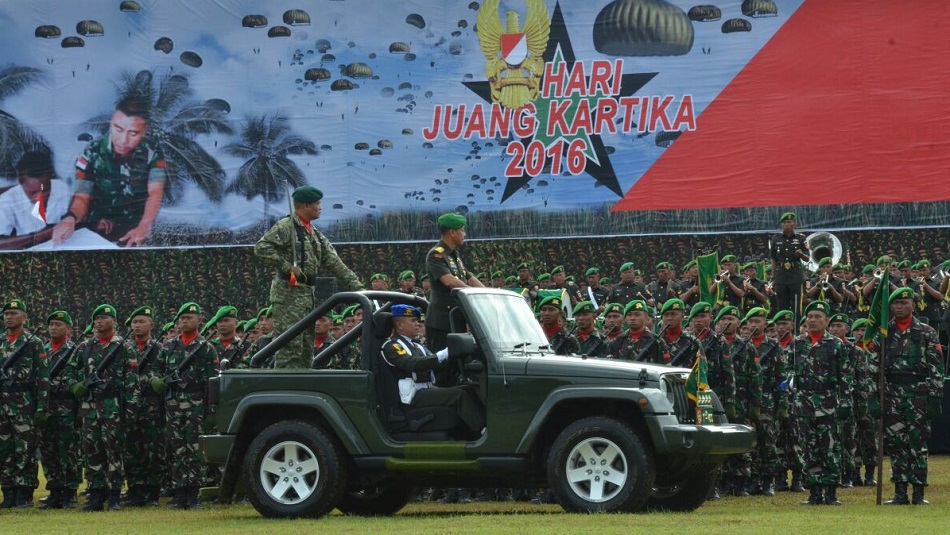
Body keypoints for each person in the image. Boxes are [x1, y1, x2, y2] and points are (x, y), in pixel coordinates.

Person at [254, 185, 363, 368]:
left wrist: (359, 288)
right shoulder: (286, 226)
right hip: (289, 294)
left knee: (305, 347)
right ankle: (286, 393)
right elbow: (261, 248)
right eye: (317, 203)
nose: (320, 207)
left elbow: (334, 262)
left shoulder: (315, 233)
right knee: (290, 346)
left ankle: (302, 386)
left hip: (307, 295)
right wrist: (287, 266)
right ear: (304, 205)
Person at [52, 98, 167, 246]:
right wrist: (70, 218)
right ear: (111, 124)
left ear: (144, 132)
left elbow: (155, 192)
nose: (123, 140)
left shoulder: (152, 152)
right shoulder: (91, 153)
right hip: (97, 230)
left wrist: (144, 226)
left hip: (135, 231)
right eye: (118, 129)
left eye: (133, 133)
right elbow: (82, 197)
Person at [871, 287, 944, 505]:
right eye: (896, 303)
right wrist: (872, 397)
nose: (900, 306)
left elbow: (936, 366)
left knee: (918, 444)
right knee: (896, 444)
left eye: (904, 303)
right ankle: (900, 491)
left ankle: (919, 492)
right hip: (892, 393)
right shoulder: (884, 332)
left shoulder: (927, 331)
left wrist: (935, 396)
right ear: (890, 307)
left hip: (919, 394)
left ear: (913, 305)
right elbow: (873, 367)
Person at [66, 304, 137, 511]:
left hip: (113, 404)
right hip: (89, 404)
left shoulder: (124, 346)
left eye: (104, 318)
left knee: (113, 449)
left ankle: (114, 494)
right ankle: (95, 494)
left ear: (114, 321)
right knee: (91, 450)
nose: (99, 321)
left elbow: (132, 381)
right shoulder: (86, 346)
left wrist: (130, 409)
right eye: (96, 318)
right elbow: (69, 370)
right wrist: (75, 386)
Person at [148, 302, 217, 509]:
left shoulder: (206, 348)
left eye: (189, 318)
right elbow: (154, 372)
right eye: (182, 318)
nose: (184, 321)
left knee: (195, 449)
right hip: (173, 404)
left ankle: (194, 493)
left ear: (199, 321)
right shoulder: (169, 347)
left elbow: (212, 382)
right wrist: (157, 382)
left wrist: (211, 410)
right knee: (177, 448)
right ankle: (179, 494)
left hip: (196, 404)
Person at [380, 304, 483, 437]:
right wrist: (446, 353)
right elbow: (412, 364)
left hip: (427, 390)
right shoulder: (392, 346)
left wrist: (457, 353)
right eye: (413, 321)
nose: (417, 324)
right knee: (458, 395)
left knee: (468, 389)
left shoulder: (416, 345)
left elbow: (435, 362)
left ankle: (469, 432)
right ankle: (482, 433)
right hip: (412, 396)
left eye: (417, 321)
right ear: (399, 325)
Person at [787, 301, 852, 506]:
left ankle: (831, 492)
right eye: (810, 317)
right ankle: (814, 491)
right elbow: (789, 370)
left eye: (817, 316)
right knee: (808, 448)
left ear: (826, 321)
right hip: (803, 402)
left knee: (829, 447)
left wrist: (845, 402)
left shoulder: (836, 344)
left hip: (828, 401)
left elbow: (845, 376)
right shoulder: (797, 343)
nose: (813, 320)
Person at [0, 299, 49, 508]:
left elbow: (42, 377)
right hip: (2, 403)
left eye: (14, 313)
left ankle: (24, 494)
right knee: (4, 450)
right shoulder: (0, 340)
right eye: (6, 314)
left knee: (25, 451)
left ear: (24, 317)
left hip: (24, 404)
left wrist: (41, 407)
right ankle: (8, 492)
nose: (9, 317)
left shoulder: (33, 342)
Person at [121, 305, 166, 507]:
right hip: (129, 405)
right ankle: (135, 490)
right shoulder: (123, 348)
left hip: (151, 405)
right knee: (131, 449)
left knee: (153, 449)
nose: (137, 326)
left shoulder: (160, 349)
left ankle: (152, 492)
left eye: (141, 322)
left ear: (151, 325)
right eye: (134, 322)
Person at [38, 310, 82, 509]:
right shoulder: (42, 350)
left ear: (69, 329)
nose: (54, 328)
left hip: (67, 406)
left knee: (69, 450)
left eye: (58, 324)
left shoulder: (75, 350)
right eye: (51, 324)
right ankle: (55, 490)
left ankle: (70, 490)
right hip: (47, 406)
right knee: (48, 450)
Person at [424, 212, 483, 353]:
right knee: (443, 365)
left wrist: (488, 293)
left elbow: (469, 277)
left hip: (456, 319)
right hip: (442, 323)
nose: (465, 233)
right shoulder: (436, 254)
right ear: (452, 232)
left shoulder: (454, 255)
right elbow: (449, 281)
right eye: (462, 230)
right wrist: (473, 294)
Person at [0, 151, 70, 248]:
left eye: (45, 190)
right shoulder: (7, 200)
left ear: (49, 177)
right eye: (33, 192)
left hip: (63, 244)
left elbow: (68, 218)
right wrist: (36, 237)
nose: (40, 197)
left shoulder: (61, 187)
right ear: (21, 183)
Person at [770, 212, 809, 317]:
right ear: (782, 225)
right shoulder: (776, 239)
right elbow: (773, 259)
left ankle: (796, 330)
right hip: (781, 275)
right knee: (782, 305)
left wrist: (801, 254)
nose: (787, 224)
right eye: (785, 222)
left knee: (797, 305)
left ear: (794, 224)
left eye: (790, 222)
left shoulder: (801, 238)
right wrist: (773, 276)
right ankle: (784, 330)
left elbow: (807, 258)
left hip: (795, 275)